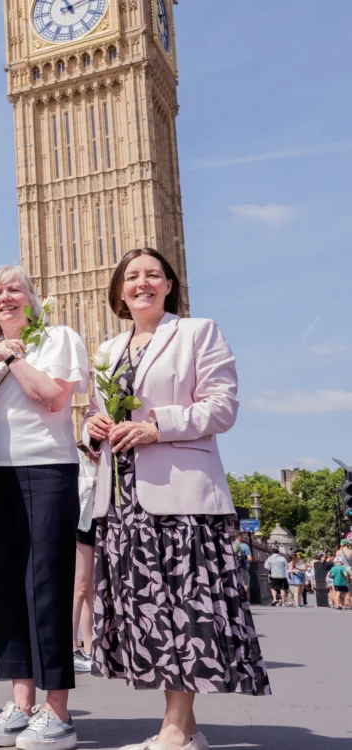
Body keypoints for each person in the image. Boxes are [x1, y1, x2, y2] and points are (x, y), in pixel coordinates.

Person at [84, 248, 269, 750]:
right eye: (132, 277)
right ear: (119, 291)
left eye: (153, 275)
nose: (142, 283)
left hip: (182, 498)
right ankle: (184, 728)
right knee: (153, 615)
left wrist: (155, 427)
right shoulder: (106, 351)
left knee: (186, 610)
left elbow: (222, 407)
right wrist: (91, 429)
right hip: (123, 503)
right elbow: (96, 417)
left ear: (169, 284)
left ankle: (173, 729)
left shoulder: (197, 332)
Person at [0, 264, 87, 750]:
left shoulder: (58, 337)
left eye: (14, 289)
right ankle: (21, 704)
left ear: (32, 298)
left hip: (45, 470)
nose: (5, 298)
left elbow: (54, 398)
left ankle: (57, 711)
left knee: (46, 587)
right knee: (5, 588)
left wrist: (10, 357)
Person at [72, 445, 97, 674]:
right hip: (80, 522)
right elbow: (73, 487)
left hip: (96, 521)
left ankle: (89, 648)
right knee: (79, 586)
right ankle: (70, 648)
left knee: (90, 588)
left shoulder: (103, 456)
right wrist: (94, 483)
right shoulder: (76, 453)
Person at [232, 532, 252, 603]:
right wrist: (248, 563)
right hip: (242, 567)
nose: (244, 538)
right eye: (243, 536)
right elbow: (249, 558)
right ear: (239, 537)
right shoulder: (244, 546)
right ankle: (246, 602)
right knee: (246, 585)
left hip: (232, 568)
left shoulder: (231, 545)